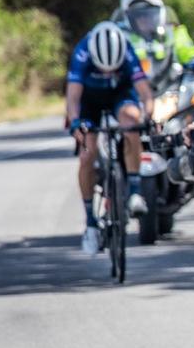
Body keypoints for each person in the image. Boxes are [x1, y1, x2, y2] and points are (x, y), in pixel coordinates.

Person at [65, 21, 155, 253]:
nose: (106, 73)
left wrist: (148, 115)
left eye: (111, 68)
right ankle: (91, 223)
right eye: (102, 68)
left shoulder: (126, 49)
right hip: (89, 101)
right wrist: (75, 122)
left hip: (119, 95)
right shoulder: (83, 52)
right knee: (87, 154)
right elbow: (73, 98)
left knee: (131, 124)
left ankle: (135, 192)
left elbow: (145, 92)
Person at [113, 0, 194, 93]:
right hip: (134, 95)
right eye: (138, 16)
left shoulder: (172, 31)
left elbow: (186, 47)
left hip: (172, 91)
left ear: (160, 12)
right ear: (127, 17)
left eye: (149, 14)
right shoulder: (120, 37)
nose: (144, 19)